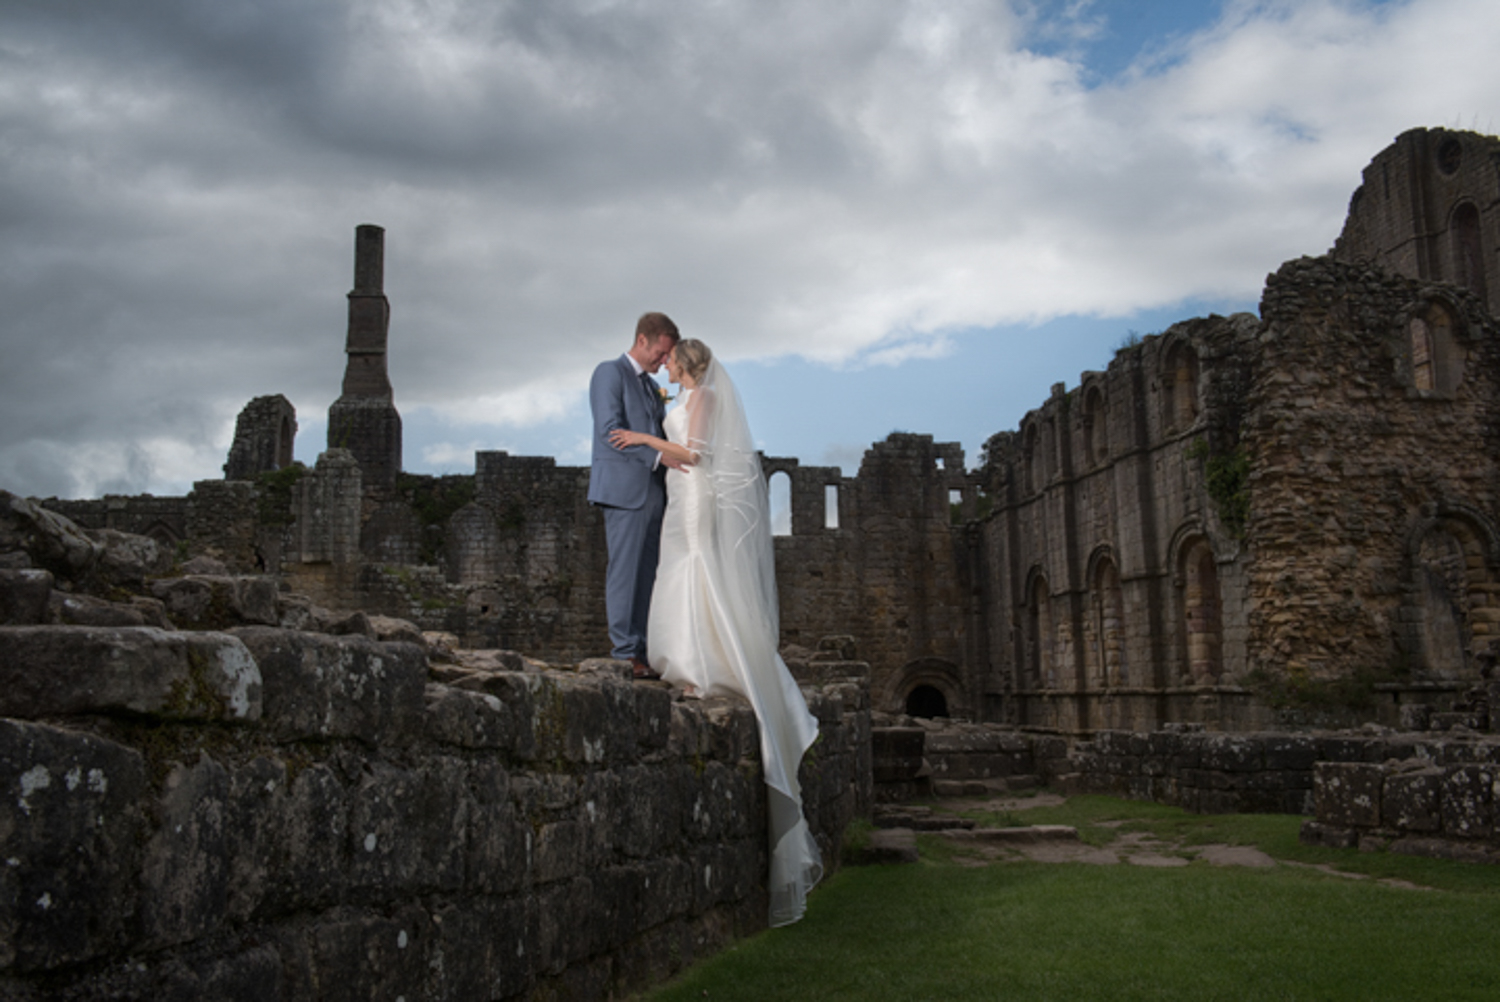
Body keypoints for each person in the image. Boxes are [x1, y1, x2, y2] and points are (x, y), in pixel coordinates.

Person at [608, 338, 824, 927]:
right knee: (676, 571)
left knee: (694, 566)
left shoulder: (701, 397)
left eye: (671, 361)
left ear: (686, 364)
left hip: (695, 497)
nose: (666, 368)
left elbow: (695, 456)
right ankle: (684, 659)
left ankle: (707, 667)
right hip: (678, 499)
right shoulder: (680, 393)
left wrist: (646, 439)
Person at [588, 312, 682, 679]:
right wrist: (659, 456)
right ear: (643, 340)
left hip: (655, 492)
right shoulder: (609, 373)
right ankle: (625, 652)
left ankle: (642, 650)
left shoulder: (649, 386)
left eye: (667, 356)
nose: (664, 361)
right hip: (624, 490)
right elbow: (609, 430)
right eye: (660, 353)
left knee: (648, 576)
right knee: (625, 573)